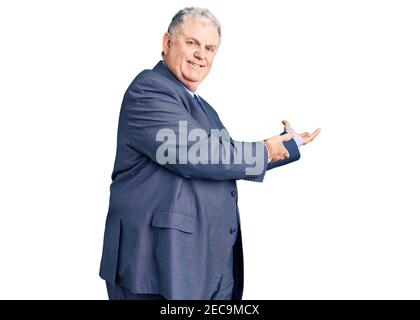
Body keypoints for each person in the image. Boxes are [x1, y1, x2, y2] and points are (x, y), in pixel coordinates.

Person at [99, 7, 320, 300]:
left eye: (210, 48)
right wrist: (266, 150)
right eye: (192, 43)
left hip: (205, 260)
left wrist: (286, 146)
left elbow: (221, 157)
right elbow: (196, 155)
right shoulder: (149, 90)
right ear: (167, 43)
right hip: (158, 264)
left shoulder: (202, 107)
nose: (201, 54)